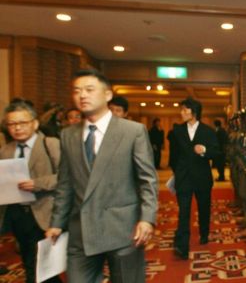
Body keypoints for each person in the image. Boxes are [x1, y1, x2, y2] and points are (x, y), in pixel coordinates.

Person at [45, 69, 158, 283]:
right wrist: (57, 222)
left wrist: (147, 219)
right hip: (81, 230)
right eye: (77, 91)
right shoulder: (68, 135)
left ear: (107, 95)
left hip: (123, 228)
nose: (82, 95)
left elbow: (147, 180)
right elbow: (65, 183)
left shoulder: (132, 131)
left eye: (89, 90)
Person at [0, 99, 62, 283]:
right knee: (28, 259)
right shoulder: (6, 150)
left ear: (34, 123)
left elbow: (67, 177)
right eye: (12, 124)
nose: (17, 128)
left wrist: (38, 183)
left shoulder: (50, 144)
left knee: (46, 265)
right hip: (18, 213)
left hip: (46, 212)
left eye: (22, 123)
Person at [168, 97, 219, 259]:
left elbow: (217, 152)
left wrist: (204, 150)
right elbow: (173, 156)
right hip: (183, 178)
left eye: (185, 110)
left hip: (202, 177)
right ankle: (182, 245)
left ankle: (204, 233)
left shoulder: (208, 131)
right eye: (181, 109)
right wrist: (177, 172)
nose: (181, 113)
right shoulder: (177, 131)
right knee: (183, 211)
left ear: (194, 112)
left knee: (204, 207)